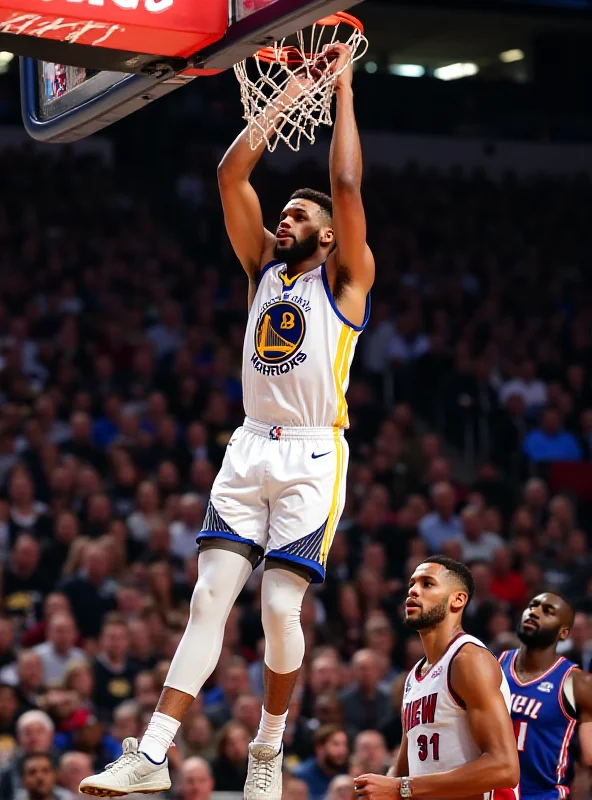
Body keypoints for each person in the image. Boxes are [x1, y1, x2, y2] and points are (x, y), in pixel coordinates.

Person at [79, 41, 374, 800]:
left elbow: (343, 180)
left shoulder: (345, 281)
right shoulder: (262, 271)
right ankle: (151, 753)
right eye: (282, 214)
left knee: (280, 610)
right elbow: (229, 174)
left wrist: (338, 86)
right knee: (207, 600)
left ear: (330, 233)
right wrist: (287, 93)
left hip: (314, 454)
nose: (284, 220)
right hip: (248, 447)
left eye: (298, 214)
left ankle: (268, 747)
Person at [354, 556, 519, 800]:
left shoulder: (468, 660)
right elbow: (404, 769)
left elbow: (505, 768)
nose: (413, 590)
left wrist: (400, 789)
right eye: (412, 584)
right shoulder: (414, 676)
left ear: (458, 599)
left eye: (427, 584)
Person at [499, 593, 592, 800]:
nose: (534, 612)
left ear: (564, 633)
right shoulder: (495, 664)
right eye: (533, 606)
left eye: (548, 612)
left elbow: (588, 762)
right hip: (491, 793)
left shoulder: (578, 683)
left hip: (543, 795)